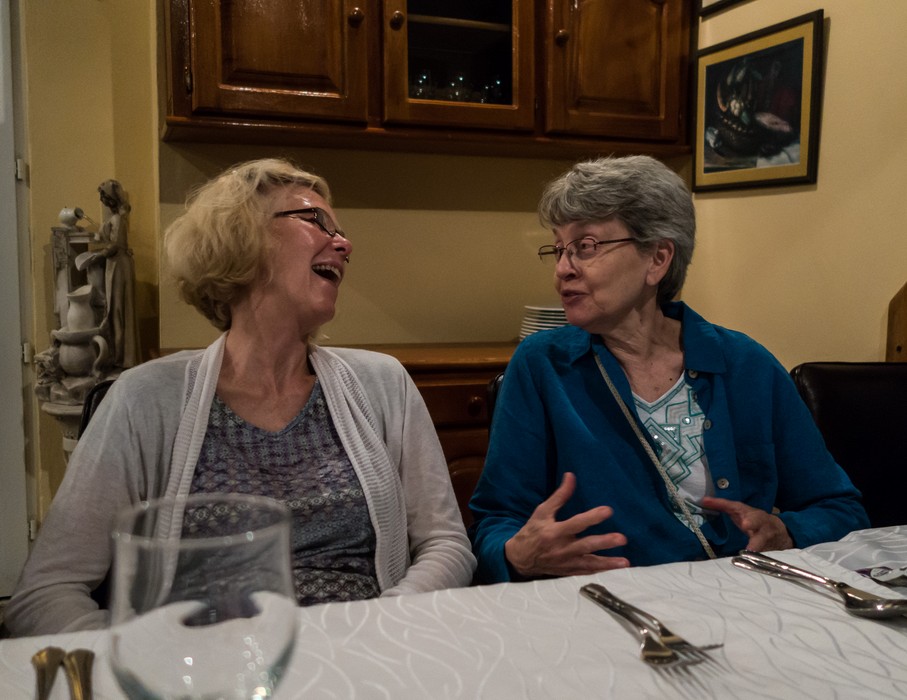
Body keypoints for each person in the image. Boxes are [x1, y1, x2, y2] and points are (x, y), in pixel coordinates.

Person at [6, 158, 475, 636]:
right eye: (316, 221)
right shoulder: (143, 400)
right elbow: (45, 593)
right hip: (209, 671)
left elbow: (445, 544)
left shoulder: (384, 382)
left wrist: (385, 621)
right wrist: (141, 660)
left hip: (366, 654)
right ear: (239, 239)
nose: (345, 244)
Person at [468, 155, 869, 584]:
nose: (563, 269)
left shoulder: (745, 365)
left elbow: (839, 509)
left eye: (586, 247)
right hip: (601, 605)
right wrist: (518, 554)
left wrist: (788, 532)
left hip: (741, 600)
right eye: (559, 249)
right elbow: (495, 523)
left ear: (657, 259)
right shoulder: (542, 366)